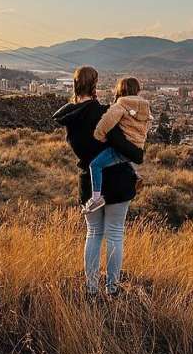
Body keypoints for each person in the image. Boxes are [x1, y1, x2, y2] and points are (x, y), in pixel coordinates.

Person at [52, 66, 144, 296]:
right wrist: (138, 156)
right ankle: (112, 288)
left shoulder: (69, 118)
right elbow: (124, 146)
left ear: (75, 84)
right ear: (95, 85)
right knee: (114, 234)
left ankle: (91, 289)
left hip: (88, 181)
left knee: (93, 234)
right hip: (118, 182)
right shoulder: (103, 113)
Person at [84, 76, 151, 214]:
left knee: (95, 165)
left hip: (121, 149)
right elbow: (147, 125)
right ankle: (135, 174)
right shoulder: (145, 107)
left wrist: (99, 136)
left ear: (121, 89)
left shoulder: (121, 105)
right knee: (122, 160)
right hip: (135, 147)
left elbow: (106, 122)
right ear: (137, 90)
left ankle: (96, 198)